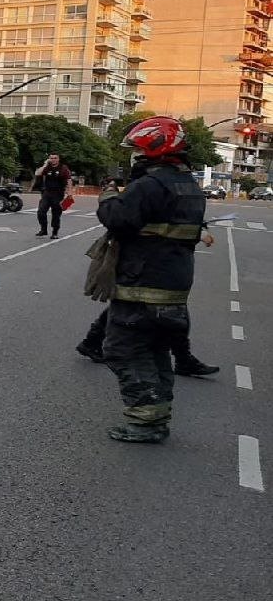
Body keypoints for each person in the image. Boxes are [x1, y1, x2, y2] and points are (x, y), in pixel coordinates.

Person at [96, 116, 206, 443]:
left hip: (142, 284)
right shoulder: (189, 185)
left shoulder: (150, 185)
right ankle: (157, 415)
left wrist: (108, 194)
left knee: (123, 350)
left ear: (154, 148)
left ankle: (146, 422)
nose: (134, 156)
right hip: (173, 286)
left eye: (137, 149)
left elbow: (118, 219)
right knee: (155, 350)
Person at [76, 229, 219, 377]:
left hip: (153, 254)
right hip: (146, 255)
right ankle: (182, 359)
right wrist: (198, 232)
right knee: (166, 305)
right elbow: (154, 220)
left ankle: (92, 341)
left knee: (142, 303)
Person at [34, 152, 73, 239]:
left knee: (56, 214)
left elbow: (69, 180)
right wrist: (45, 164)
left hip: (58, 193)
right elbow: (37, 173)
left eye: (55, 158)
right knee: (41, 211)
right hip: (47, 193)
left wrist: (70, 192)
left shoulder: (63, 168)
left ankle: (55, 232)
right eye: (51, 158)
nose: (53, 160)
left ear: (58, 159)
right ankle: (43, 229)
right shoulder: (47, 167)